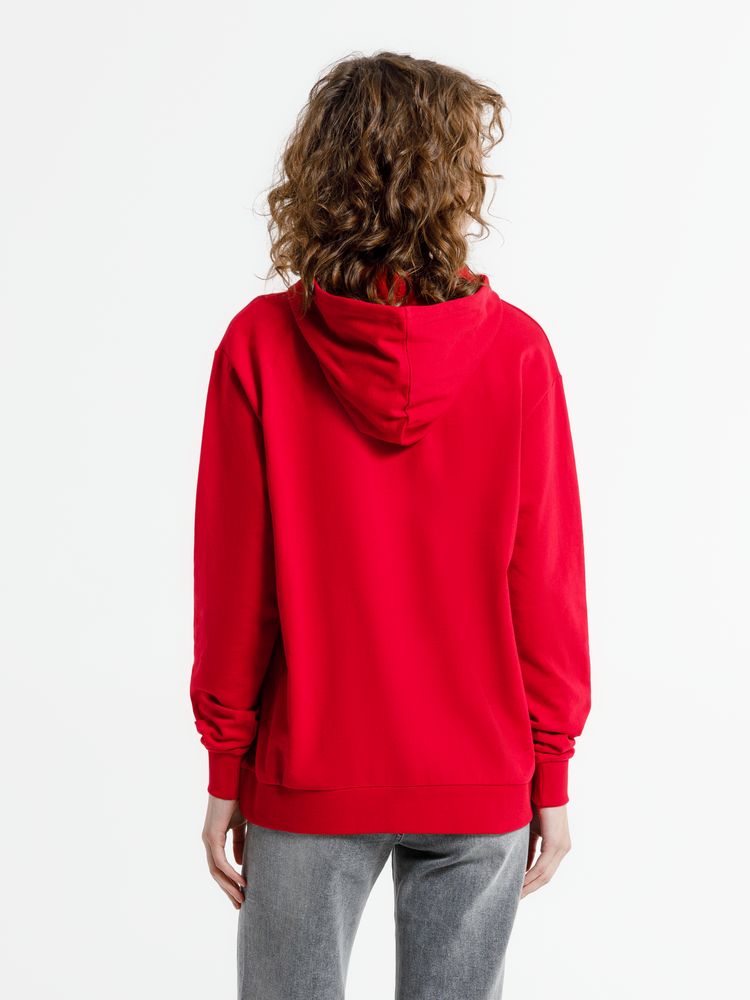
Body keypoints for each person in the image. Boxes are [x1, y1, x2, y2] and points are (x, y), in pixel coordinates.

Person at [189, 50, 591, 1000]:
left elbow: (235, 587)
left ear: (319, 177)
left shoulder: (260, 345)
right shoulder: (517, 352)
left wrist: (225, 769)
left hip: (310, 771)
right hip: (480, 774)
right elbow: (545, 584)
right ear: (452, 183)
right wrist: (551, 773)